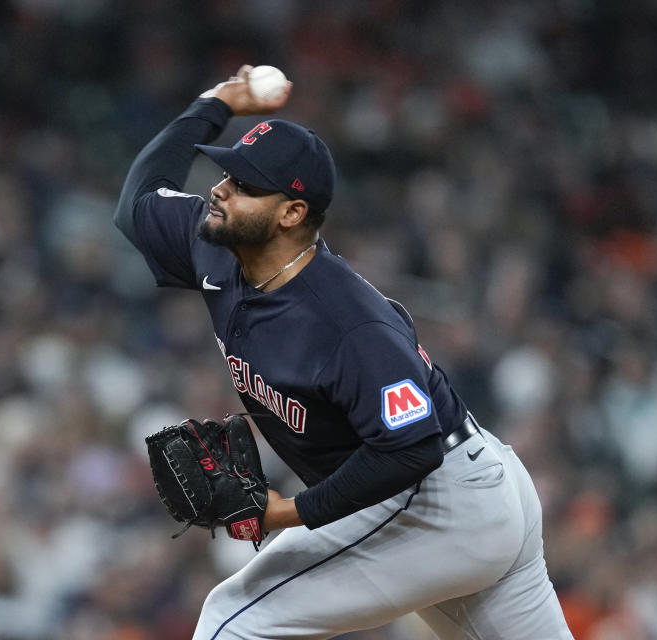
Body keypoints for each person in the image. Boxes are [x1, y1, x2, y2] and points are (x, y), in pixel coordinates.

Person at [114, 65, 573, 640]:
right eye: (226, 172)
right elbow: (136, 203)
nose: (220, 189)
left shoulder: (348, 323)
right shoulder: (217, 246)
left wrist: (283, 513)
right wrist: (214, 103)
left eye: (244, 185)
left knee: (230, 623)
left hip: (441, 501)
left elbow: (409, 452)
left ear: (292, 213)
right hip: (464, 496)